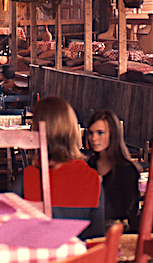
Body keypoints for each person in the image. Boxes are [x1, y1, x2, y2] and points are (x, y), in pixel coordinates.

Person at [16, 96, 104, 239]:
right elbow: (97, 237)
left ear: (36, 132)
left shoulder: (29, 176)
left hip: (41, 258)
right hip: (78, 257)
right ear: (73, 131)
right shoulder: (92, 177)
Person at [85, 109, 140, 227]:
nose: (94, 138)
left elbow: (127, 212)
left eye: (100, 133)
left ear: (113, 134)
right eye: (91, 133)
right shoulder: (89, 165)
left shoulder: (127, 171)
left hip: (117, 232)